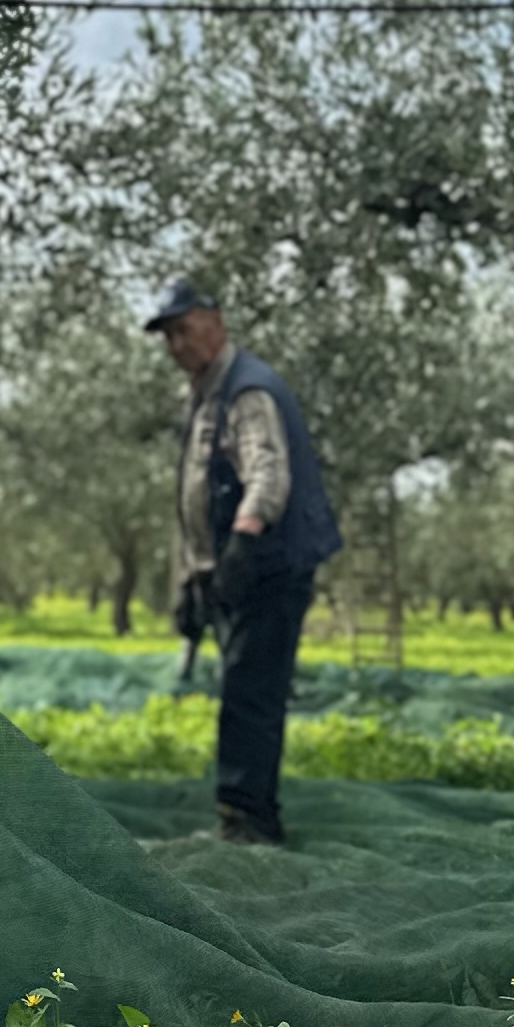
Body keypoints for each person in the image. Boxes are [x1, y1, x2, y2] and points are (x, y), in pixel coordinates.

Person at [141, 279, 341, 847]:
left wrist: (243, 546)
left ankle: (252, 820)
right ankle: (244, 810)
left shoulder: (248, 391)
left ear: (216, 323)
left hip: (268, 565)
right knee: (243, 684)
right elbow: (201, 492)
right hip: (236, 564)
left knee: (252, 690)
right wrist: (194, 579)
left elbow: (268, 474)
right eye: (169, 336)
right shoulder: (208, 392)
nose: (177, 344)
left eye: (185, 329)